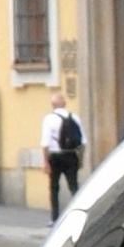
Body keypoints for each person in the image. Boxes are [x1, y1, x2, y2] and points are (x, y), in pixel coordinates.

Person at [40, 91, 83, 219]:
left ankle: (55, 217)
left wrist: (45, 161)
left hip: (55, 156)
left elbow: (45, 143)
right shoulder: (75, 117)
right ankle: (79, 214)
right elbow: (83, 141)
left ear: (52, 105)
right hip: (71, 155)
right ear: (64, 103)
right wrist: (81, 158)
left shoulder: (49, 119)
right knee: (74, 186)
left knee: (54, 187)